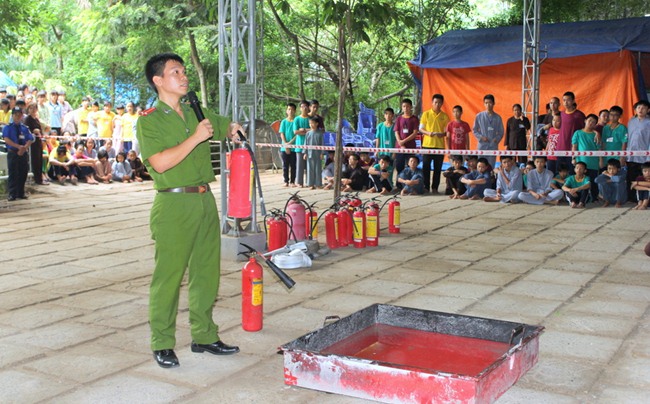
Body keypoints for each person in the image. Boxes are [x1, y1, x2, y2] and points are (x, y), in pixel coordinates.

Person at [136, 53, 241, 369]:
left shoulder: (196, 110)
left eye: (183, 71)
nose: (184, 77)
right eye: (175, 72)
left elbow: (223, 126)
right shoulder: (149, 120)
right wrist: (196, 138)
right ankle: (162, 342)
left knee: (206, 272)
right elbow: (160, 163)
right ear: (158, 80)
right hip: (173, 204)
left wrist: (233, 129)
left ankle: (204, 336)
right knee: (168, 277)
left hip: (204, 200)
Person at [419, 94, 449, 194]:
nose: (437, 104)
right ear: (432, 103)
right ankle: (426, 187)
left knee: (438, 168)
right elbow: (421, 129)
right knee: (426, 168)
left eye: (439, 102)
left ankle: (435, 188)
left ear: (442, 103)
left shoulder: (445, 116)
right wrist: (429, 133)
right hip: (427, 145)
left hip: (440, 146)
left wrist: (442, 134)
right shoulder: (426, 114)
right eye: (435, 102)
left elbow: (447, 132)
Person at [2, 107, 34, 201]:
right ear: (12, 115)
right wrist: (18, 147)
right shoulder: (8, 127)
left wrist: (24, 148)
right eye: (16, 115)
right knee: (13, 173)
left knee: (23, 172)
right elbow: (6, 139)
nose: (17, 117)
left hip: (23, 152)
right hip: (13, 152)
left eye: (19, 115)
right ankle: (12, 194)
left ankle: (21, 192)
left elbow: (30, 139)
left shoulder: (24, 128)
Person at [571, 114, 600, 201]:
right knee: (580, 182)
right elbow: (574, 146)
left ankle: (594, 198)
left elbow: (599, 148)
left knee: (593, 182)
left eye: (593, 122)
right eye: (589, 120)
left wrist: (600, 160)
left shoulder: (596, 135)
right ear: (585, 121)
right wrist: (573, 158)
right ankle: (580, 199)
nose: (591, 123)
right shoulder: (578, 133)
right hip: (581, 162)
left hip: (593, 163)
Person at [626, 100, 650, 203]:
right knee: (631, 178)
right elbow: (628, 138)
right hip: (631, 156)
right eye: (638, 107)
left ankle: (645, 200)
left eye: (643, 108)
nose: (640, 110)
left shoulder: (649, 122)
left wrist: (648, 156)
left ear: (648, 110)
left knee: (644, 179)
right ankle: (633, 199)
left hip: (644, 157)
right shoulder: (631, 121)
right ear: (635, 110)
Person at [473, 94, 504, 168]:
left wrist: (496, 139)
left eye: (490, 103)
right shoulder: (479, 116)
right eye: (486, 103)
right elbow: (474, 130)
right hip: (482, 145)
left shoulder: (498, 117)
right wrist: (481, 137)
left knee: (490, 166)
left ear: (493, 103)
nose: (488, 105)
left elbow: (501, 132)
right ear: (484, 104)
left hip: (492, 145)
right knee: (480, 166)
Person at [393, 98, 419, 185]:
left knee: (411, 166)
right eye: (404, 106)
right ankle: (398, 185)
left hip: (410, 147)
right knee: (399, 166)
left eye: (408, 106)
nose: (406, 108)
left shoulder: (414, 119)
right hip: (399, 147)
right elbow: (396, 132)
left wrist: (404, 141)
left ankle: (409, 185)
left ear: (411, 107)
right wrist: (400, 143)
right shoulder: (399, 119)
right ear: (402, 107)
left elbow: (415, 133)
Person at [557, 91, 585, 171]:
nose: (566, 102)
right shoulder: (561, 114)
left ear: (573, 101)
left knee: (571, 172)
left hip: (573, 148)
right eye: (564, 100)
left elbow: (585, 129)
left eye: (568, 100)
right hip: (560, 148)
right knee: (559, 173)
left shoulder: (579, 115)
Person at [24, 103, 48, 185]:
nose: (33, 110)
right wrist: (33, 131)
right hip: (31, 143)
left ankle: (39, 178)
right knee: (34, 161)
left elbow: (41, 130)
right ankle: (36, 179)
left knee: (39, 160)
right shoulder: (27, 119)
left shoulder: (37, 119)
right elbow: (26, 130)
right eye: (31, 108)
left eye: (34, 108)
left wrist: (41, 136)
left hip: (38, 142)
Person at [601, 106, 627, 171]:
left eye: (615, 115)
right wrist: (602, 156)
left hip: (617, 157)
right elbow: (603, 142)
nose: (613, 117)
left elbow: (624, 143)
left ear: (620, 116)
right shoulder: (605, 128)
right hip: (606, 157)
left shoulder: (622, 128)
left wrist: (622, 157)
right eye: (611, 114)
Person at [292, 100, 310, 187]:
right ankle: (299, 182)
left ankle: (309, 182)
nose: (304, 108)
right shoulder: (297, 119)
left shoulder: (311, 118)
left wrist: (304, 130)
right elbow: (296, 131)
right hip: (299, 145)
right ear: (300, 108)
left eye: (306, 106)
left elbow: (313, 130)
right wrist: (304, 131)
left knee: (309, 165)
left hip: (309, 145)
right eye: (302, 106)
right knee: (299, 165)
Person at [279, 102, 296, 187]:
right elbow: (281, 133)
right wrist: (286, 144)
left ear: (295, 111)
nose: (290, 111)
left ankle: (293, 181)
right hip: (284, 147)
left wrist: (290, 143)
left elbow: (297, 134)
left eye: (292, 109)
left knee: (293, 165)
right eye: (289, 109)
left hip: (294, 147)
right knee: (285, 165)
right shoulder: (283, 122)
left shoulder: (296, 121)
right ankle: (286, 181)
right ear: (286, 111)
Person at [304, 116, 324, 189]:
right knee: (310, 169)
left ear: (317, 124)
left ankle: (318, 184)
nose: (311, 125)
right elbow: (305, 144)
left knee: (318, 169)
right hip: (309, 153)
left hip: (318, 154)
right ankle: (310, 184)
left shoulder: (320, 133)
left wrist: (322, 153)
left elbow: (322, 144)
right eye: (310, 123)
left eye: (312, 123)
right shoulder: (308, 133)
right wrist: (305, 153)